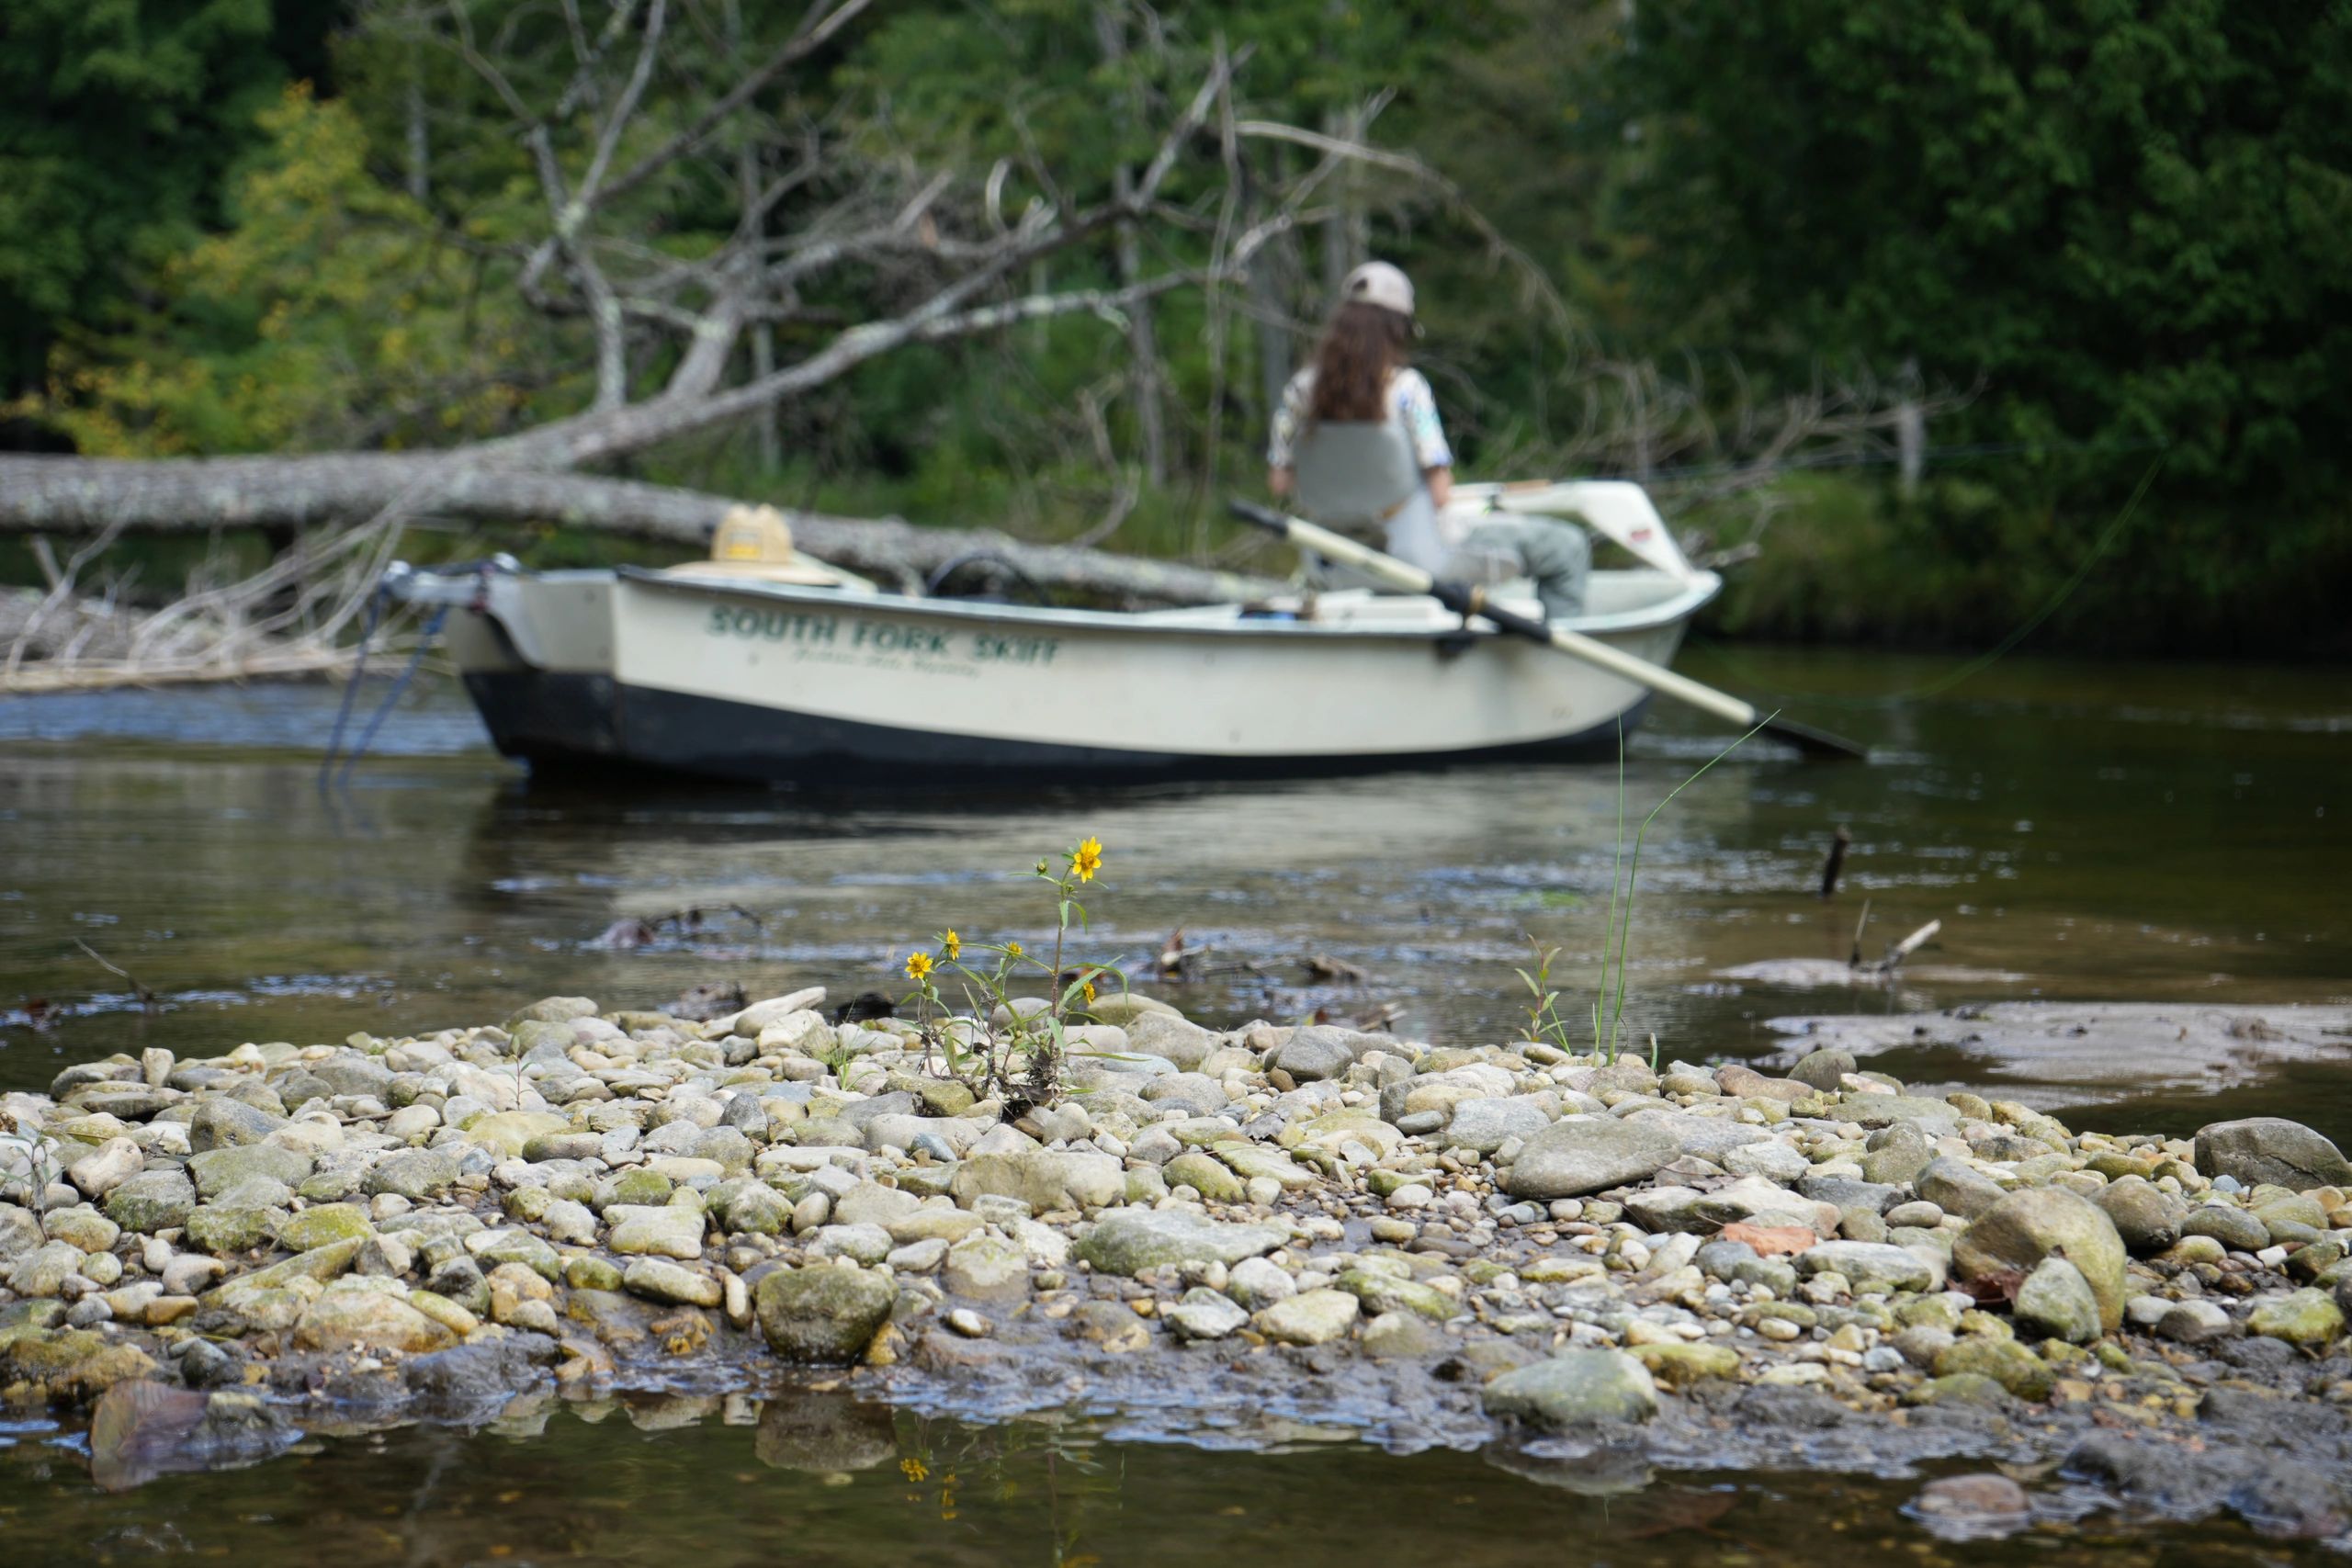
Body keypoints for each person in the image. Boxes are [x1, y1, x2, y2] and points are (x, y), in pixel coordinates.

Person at [1267, 260, 1590, 620]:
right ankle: (1561, 659)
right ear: (1397, 329)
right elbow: (1439, 495)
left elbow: (1280, 481)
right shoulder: (1408, 391)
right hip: (1419, 560)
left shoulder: (1298, 392)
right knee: (1568, 547)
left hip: (1333, 564)